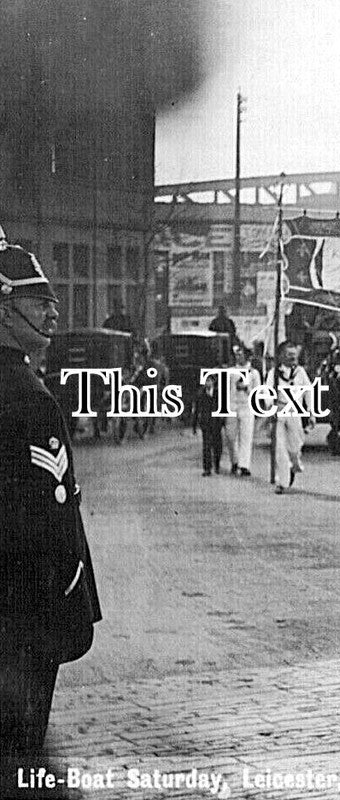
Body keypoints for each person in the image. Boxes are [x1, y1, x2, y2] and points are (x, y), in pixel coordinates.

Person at [0, 239, 101, 772]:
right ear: (3, 307)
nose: (53, 312)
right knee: (21, 748)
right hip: (28, 603)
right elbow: (51, 514)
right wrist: (68, 591)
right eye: (38, 301)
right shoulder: (29, 397)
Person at [270, 341, 315, 494]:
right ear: (282, 356)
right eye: (289, 355)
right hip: (280, 411)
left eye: (294, 355)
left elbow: (308, 391)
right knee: (280, 448)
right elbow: (267, 391)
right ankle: (281, 482)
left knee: (295, 447)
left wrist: (311, 411)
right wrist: (271, 405)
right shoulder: (274, 373)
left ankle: (293, 465)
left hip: (294, 411)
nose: (292, 358)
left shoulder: (300, 372)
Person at [225, 345, 260, 477]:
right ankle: (234, 461)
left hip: (247, 407)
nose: (238, 357)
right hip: (232, 406)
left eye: (240, 354)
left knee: (246, 436)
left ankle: (244, 465)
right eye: (236, 354)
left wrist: (247, 389)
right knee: (230, 436)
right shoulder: (231, 371)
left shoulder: (253, 373)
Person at [191, 373, 225, 476]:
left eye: (209, 381)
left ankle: (217, 464)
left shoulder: (218, 393)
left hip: (216, 423)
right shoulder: (200, 394)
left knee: (217, 445)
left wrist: (223, 421)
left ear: (213, 382)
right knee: (206, 446)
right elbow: (196, 410)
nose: (207, 383)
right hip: (205, 423)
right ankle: (207, 468)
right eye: (206, 381)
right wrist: (194, 425)